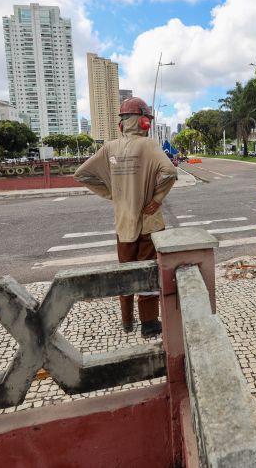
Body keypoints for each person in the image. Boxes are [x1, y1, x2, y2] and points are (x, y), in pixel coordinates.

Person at [74, 97, 177, 337]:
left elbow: (82, 174)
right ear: (143, 122)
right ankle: (149, 324)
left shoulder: (110, 147)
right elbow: (169, 172)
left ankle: (127, 321)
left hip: (123, 225)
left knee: (125, 272)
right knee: (148, 271)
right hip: (148, 225)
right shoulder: (149, 145)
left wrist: (112, 194)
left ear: (122, 124)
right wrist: (157, 199)